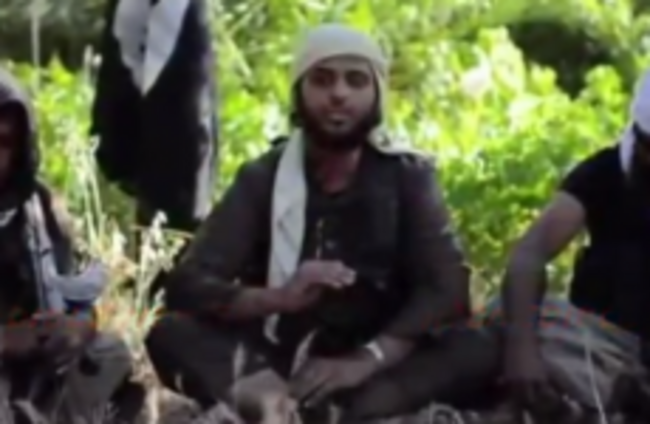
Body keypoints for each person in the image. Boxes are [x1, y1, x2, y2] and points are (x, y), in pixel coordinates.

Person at [145, 23, 500, 422]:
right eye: (322, 79)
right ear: (299, 92)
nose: (339, 94)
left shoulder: (408, 177)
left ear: (377, 95)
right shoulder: (262, 178)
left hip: (380, 362)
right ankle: (275, 403)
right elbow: (189, 285)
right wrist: (278, 298)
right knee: (171, 333)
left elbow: (448, 289)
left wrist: (367, 358)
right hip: (275, 361)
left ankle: (332, 412)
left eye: (356, 81)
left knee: (478, 346)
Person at [497, 70, 650, 422]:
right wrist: (522, 351)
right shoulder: (608, 171)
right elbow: (530, 254)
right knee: (494, 327)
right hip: (591, 339)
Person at [0, 69, 143, 423]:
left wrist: (77, 326)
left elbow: (78, 297)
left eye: (2, 143)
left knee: (110, 354)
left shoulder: (39, 210)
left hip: (37, 369)